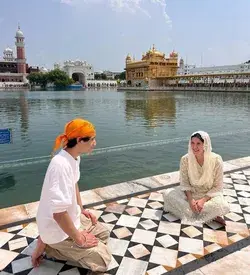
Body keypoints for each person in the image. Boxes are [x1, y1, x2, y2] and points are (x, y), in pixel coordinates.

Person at [32, 118, 112, 272]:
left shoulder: (74, 157)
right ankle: (48, 245)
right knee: (103, 260)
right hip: (56, 227)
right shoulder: (59, 165)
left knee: (103, 234)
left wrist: (81, 210)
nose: (95, 143)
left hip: (69, 218)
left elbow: (74, 184)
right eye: (92, 139)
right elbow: (58, 214)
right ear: (80, 140)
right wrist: (79, 239)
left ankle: (56, 240)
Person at [163, 131, 230, 226]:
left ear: (205, 144)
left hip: (209, 194)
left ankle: (195, 212)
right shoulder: (185, 159)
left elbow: (218, 186)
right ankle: (209, 215)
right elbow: (185, 183)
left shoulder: (216, 160)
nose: (195, 147)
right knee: (167, 194)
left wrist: (203, 200)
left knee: (222, 205)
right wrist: (190, 200)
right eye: (192, 143)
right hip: (190, 193)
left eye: (198, 143)